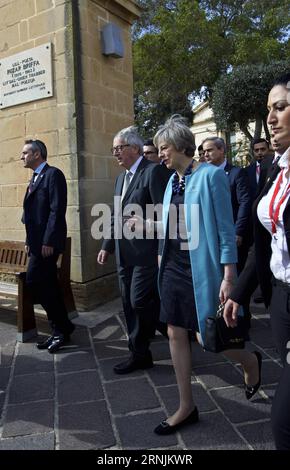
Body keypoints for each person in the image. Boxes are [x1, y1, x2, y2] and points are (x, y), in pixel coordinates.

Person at [151, 116, 261, 435]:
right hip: (173, 265)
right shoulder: (173, 181)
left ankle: (249, 361)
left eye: (165, 148)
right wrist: (156, 246)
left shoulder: (211, 176)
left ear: (182, 145)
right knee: (174, 331)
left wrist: (230, 277)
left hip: (202, 267)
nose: (161, 155)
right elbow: (172, 225)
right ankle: (186, 406)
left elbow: (226, 231)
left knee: (208, 336)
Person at [224, 73, 290, 450]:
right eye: (269, 109)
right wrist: (239, 292)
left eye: (280, 107)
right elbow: (262, 245)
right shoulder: (273, 170)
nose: (271, 117)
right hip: (280, 299)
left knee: (282, 422)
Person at [97, 126, 170, 374]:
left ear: (135, 148)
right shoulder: (120, 178)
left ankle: (173, 324)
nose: (115, 153)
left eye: (120, 148)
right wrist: (107, 245)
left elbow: (167, 217)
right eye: (114, 149)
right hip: (123, 254)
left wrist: (162, 252)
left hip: (147, 254)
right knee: (128, 304)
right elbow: (116, 215)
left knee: (139, 300)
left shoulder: (153, 172)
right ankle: (140, 353)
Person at [21, 139, 75, 353]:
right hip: (35, 243)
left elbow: (56, 210)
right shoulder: (34, 179)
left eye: (25, 153)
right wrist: (28, 241)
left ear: (37, 154)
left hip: (47, 243)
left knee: (36, 281)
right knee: (47, 285)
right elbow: (30, 215)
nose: (21, 157)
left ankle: (61, 328)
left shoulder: (53, 175)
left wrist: (49, 240)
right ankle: (61, 329)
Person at [202, 137, 252, 327]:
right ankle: (221, 316)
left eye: (210, 150)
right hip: (213, 239)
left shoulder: (236, 174)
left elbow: (245, 203)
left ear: (222, 150)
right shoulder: (204, 175)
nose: (205, 154)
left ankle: (242, 318)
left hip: (233, 238)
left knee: (236, 279)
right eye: (203, 151)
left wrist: (237, 232)